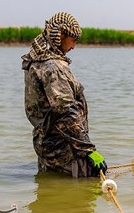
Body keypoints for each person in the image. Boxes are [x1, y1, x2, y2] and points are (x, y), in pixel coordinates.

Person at [21, 12, 107, 178]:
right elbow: (65, 112)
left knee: (50, 194)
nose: (74, 46)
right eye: (73, 40)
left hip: (46, 145)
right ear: (60, 35)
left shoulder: (37, 59)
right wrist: (89, 151)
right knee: (82, 198)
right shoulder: (53, 66)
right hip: (65, 149)